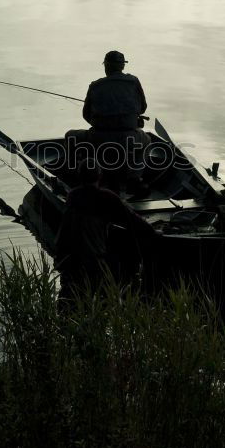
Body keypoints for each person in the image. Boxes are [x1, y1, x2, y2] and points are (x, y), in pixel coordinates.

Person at [54, 162, 158, 302]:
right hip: (95, 259)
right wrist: (154, 232)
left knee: (71, 300)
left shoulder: (73, 195)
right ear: (100, 176)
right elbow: (133, 221)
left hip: (70, 259)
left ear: (79, 176)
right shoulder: (106, 197)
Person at [67, 51, 150, 192]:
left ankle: (73, 177)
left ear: (106, 66)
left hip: (98, 138)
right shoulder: (134, 81)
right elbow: (142, 108)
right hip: (129, 138)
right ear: (123, 66)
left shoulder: (95, 85)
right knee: (147, 140)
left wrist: (103, 124)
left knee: (70, 136)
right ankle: (134, 178)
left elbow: (86, 115)